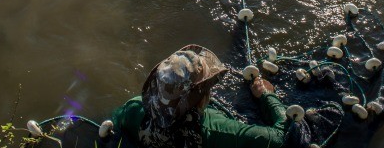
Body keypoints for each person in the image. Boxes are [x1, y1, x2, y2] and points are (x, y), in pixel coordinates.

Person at [110, 44, 292, 148]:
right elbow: (282, 137)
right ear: (201, 98)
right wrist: (267, 96)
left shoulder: (133, 110)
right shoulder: (217, 131)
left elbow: (116, 124)